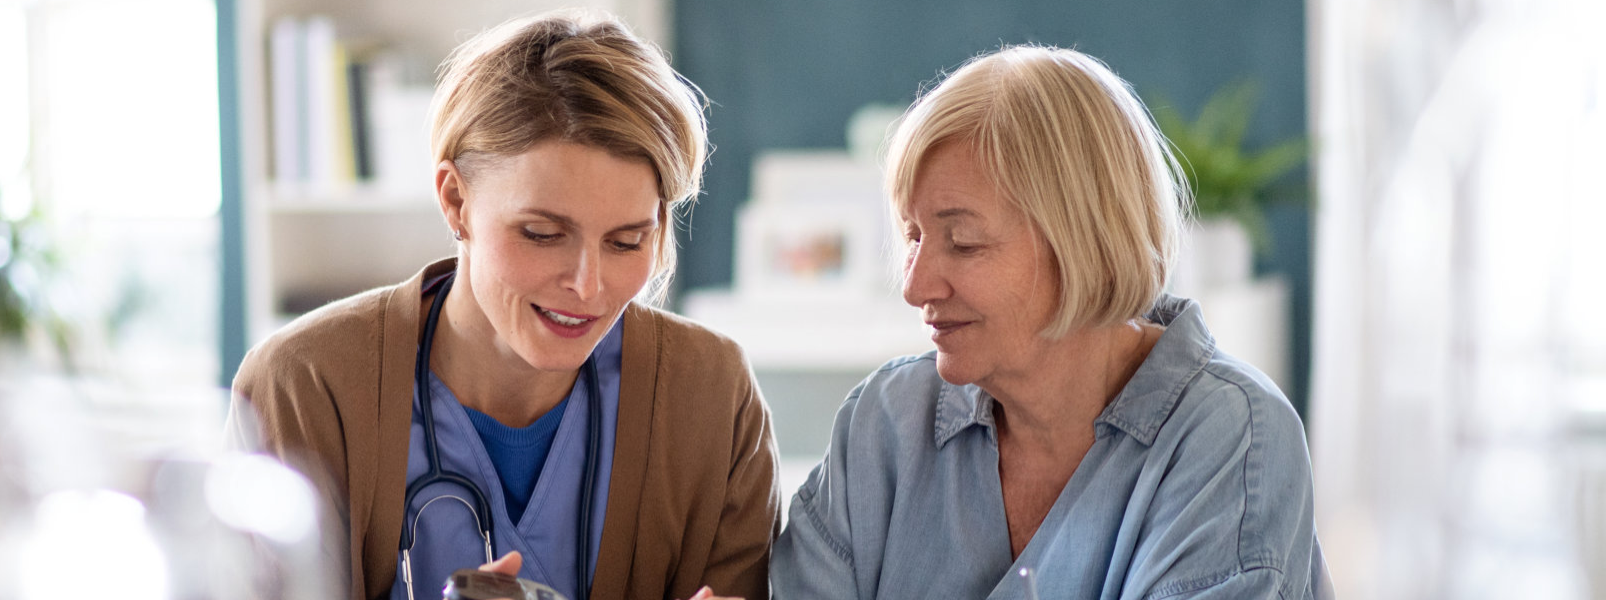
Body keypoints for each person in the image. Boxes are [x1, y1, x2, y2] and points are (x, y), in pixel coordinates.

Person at [230, 10, 780, 600]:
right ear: (455, 200)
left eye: (627, 241)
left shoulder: (711, 396)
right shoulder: (304, 389)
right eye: (542, 234)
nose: (588, 286)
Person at [769, 46, 1333, 599]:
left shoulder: (1232, 435)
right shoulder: (884, 423)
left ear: (1083, 241)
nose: (916, 287)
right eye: (913, 237)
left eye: (963, 243)